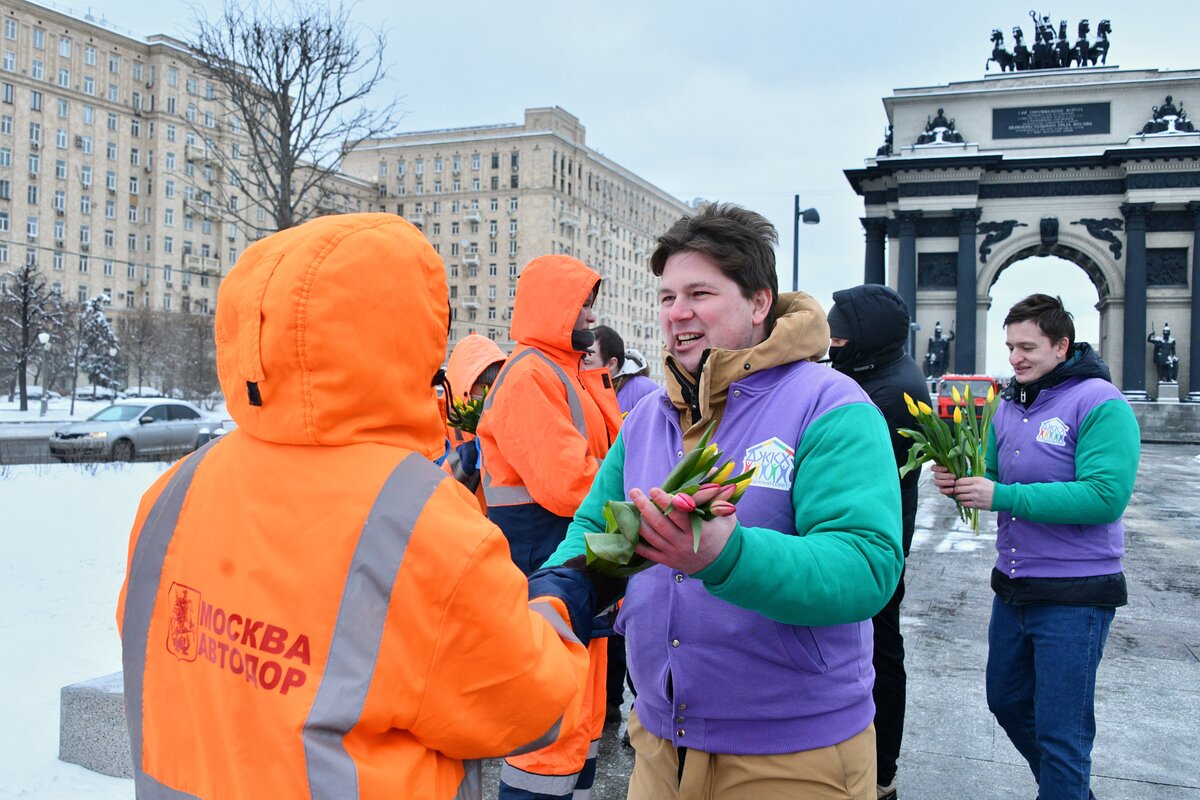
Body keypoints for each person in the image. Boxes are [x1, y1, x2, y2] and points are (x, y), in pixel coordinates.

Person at [116, 213, 618, 799]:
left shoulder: (174, 490)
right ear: (408, 335)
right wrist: (565, 595)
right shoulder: (418, 520)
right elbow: (527, 705)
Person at [546, 202, 904, 800]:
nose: (677, 313)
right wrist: (558, 592)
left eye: (700, 294)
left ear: (759, 303)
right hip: (658, 744)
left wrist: (727, 555)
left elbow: (867, 567)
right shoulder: (647, 418)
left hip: (793, 754)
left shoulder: (829, 404)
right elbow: (592, 526)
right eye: (667, 297)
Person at [934, 294, 1140, 800]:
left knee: (1062, 734)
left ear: (1061, 345)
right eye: (1010, 347)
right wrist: (961, 480)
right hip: (1013, 586)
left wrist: (1002, 496)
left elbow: (1105, 497)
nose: (1015, 357)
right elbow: (992, 473)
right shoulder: (1009, 403)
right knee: (1005, 701)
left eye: (1027, 347)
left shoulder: (1101, 403)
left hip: (1075, 594)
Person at [476, 254, 623, 799]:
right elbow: (571, 483)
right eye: (582, 304)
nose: (591, 315)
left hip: (579, 565)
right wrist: (636, 497)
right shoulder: (530, 375)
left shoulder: (564, 372)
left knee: (580, 721)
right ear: (554, 307)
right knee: (553, 727)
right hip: (551, 569)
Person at [827, 284, 932, 800]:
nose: (833, 344)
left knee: (879, 649)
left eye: (841, 335)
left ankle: (880, 768)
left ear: (868, 335)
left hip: (876, 542)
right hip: (880, 532)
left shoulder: (889, 392)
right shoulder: (877, 372)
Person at [443, 332, 507, 510]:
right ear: (464, 388)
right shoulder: (433, 428)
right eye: (485, 386)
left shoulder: (508, 427)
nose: (491, 393)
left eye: (497, 385)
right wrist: (453, 465)